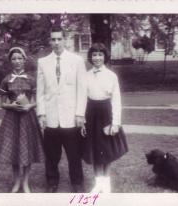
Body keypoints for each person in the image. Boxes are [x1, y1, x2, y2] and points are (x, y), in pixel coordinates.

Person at [36, 26, 87, 193]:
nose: (56, 42)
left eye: (59, 39)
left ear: (65, 40)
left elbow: (82, 89)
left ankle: (77, 182)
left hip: (71, 117)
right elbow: (40, 91)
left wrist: (80, 113)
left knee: (74, 154)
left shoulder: (77, 60)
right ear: (49, 41)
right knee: (51, 155)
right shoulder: (42, 62)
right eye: (53, 39)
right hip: (51, 117)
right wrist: (41, 113)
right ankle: (52, 181)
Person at [0, 47, 44, 193]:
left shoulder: (31, 79)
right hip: (12, 119)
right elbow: (2, 104)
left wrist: (30, 107)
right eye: (14, 59)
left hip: (28, 118)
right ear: (10, 61)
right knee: (14, 151)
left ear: (24, 60)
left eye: (20, 58)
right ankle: (16, 182)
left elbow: (37, 101)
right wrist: (11, 105)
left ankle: (26, 182)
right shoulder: (6, 80)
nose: (17, 61)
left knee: (27, 150)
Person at [81, 43, 128, 193]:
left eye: (100, 55)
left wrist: (115, 123)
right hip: (91, 113)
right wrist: (82, 120)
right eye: (94, 55)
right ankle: (98, 183)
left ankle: (106, 184)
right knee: (95, 150)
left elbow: (116, 101)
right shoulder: (86, 75)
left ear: (105, 57)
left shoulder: (111, 76)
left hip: (106, 113)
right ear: (91, 57)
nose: (97, 58)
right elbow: (82, 99)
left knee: (106, 150)